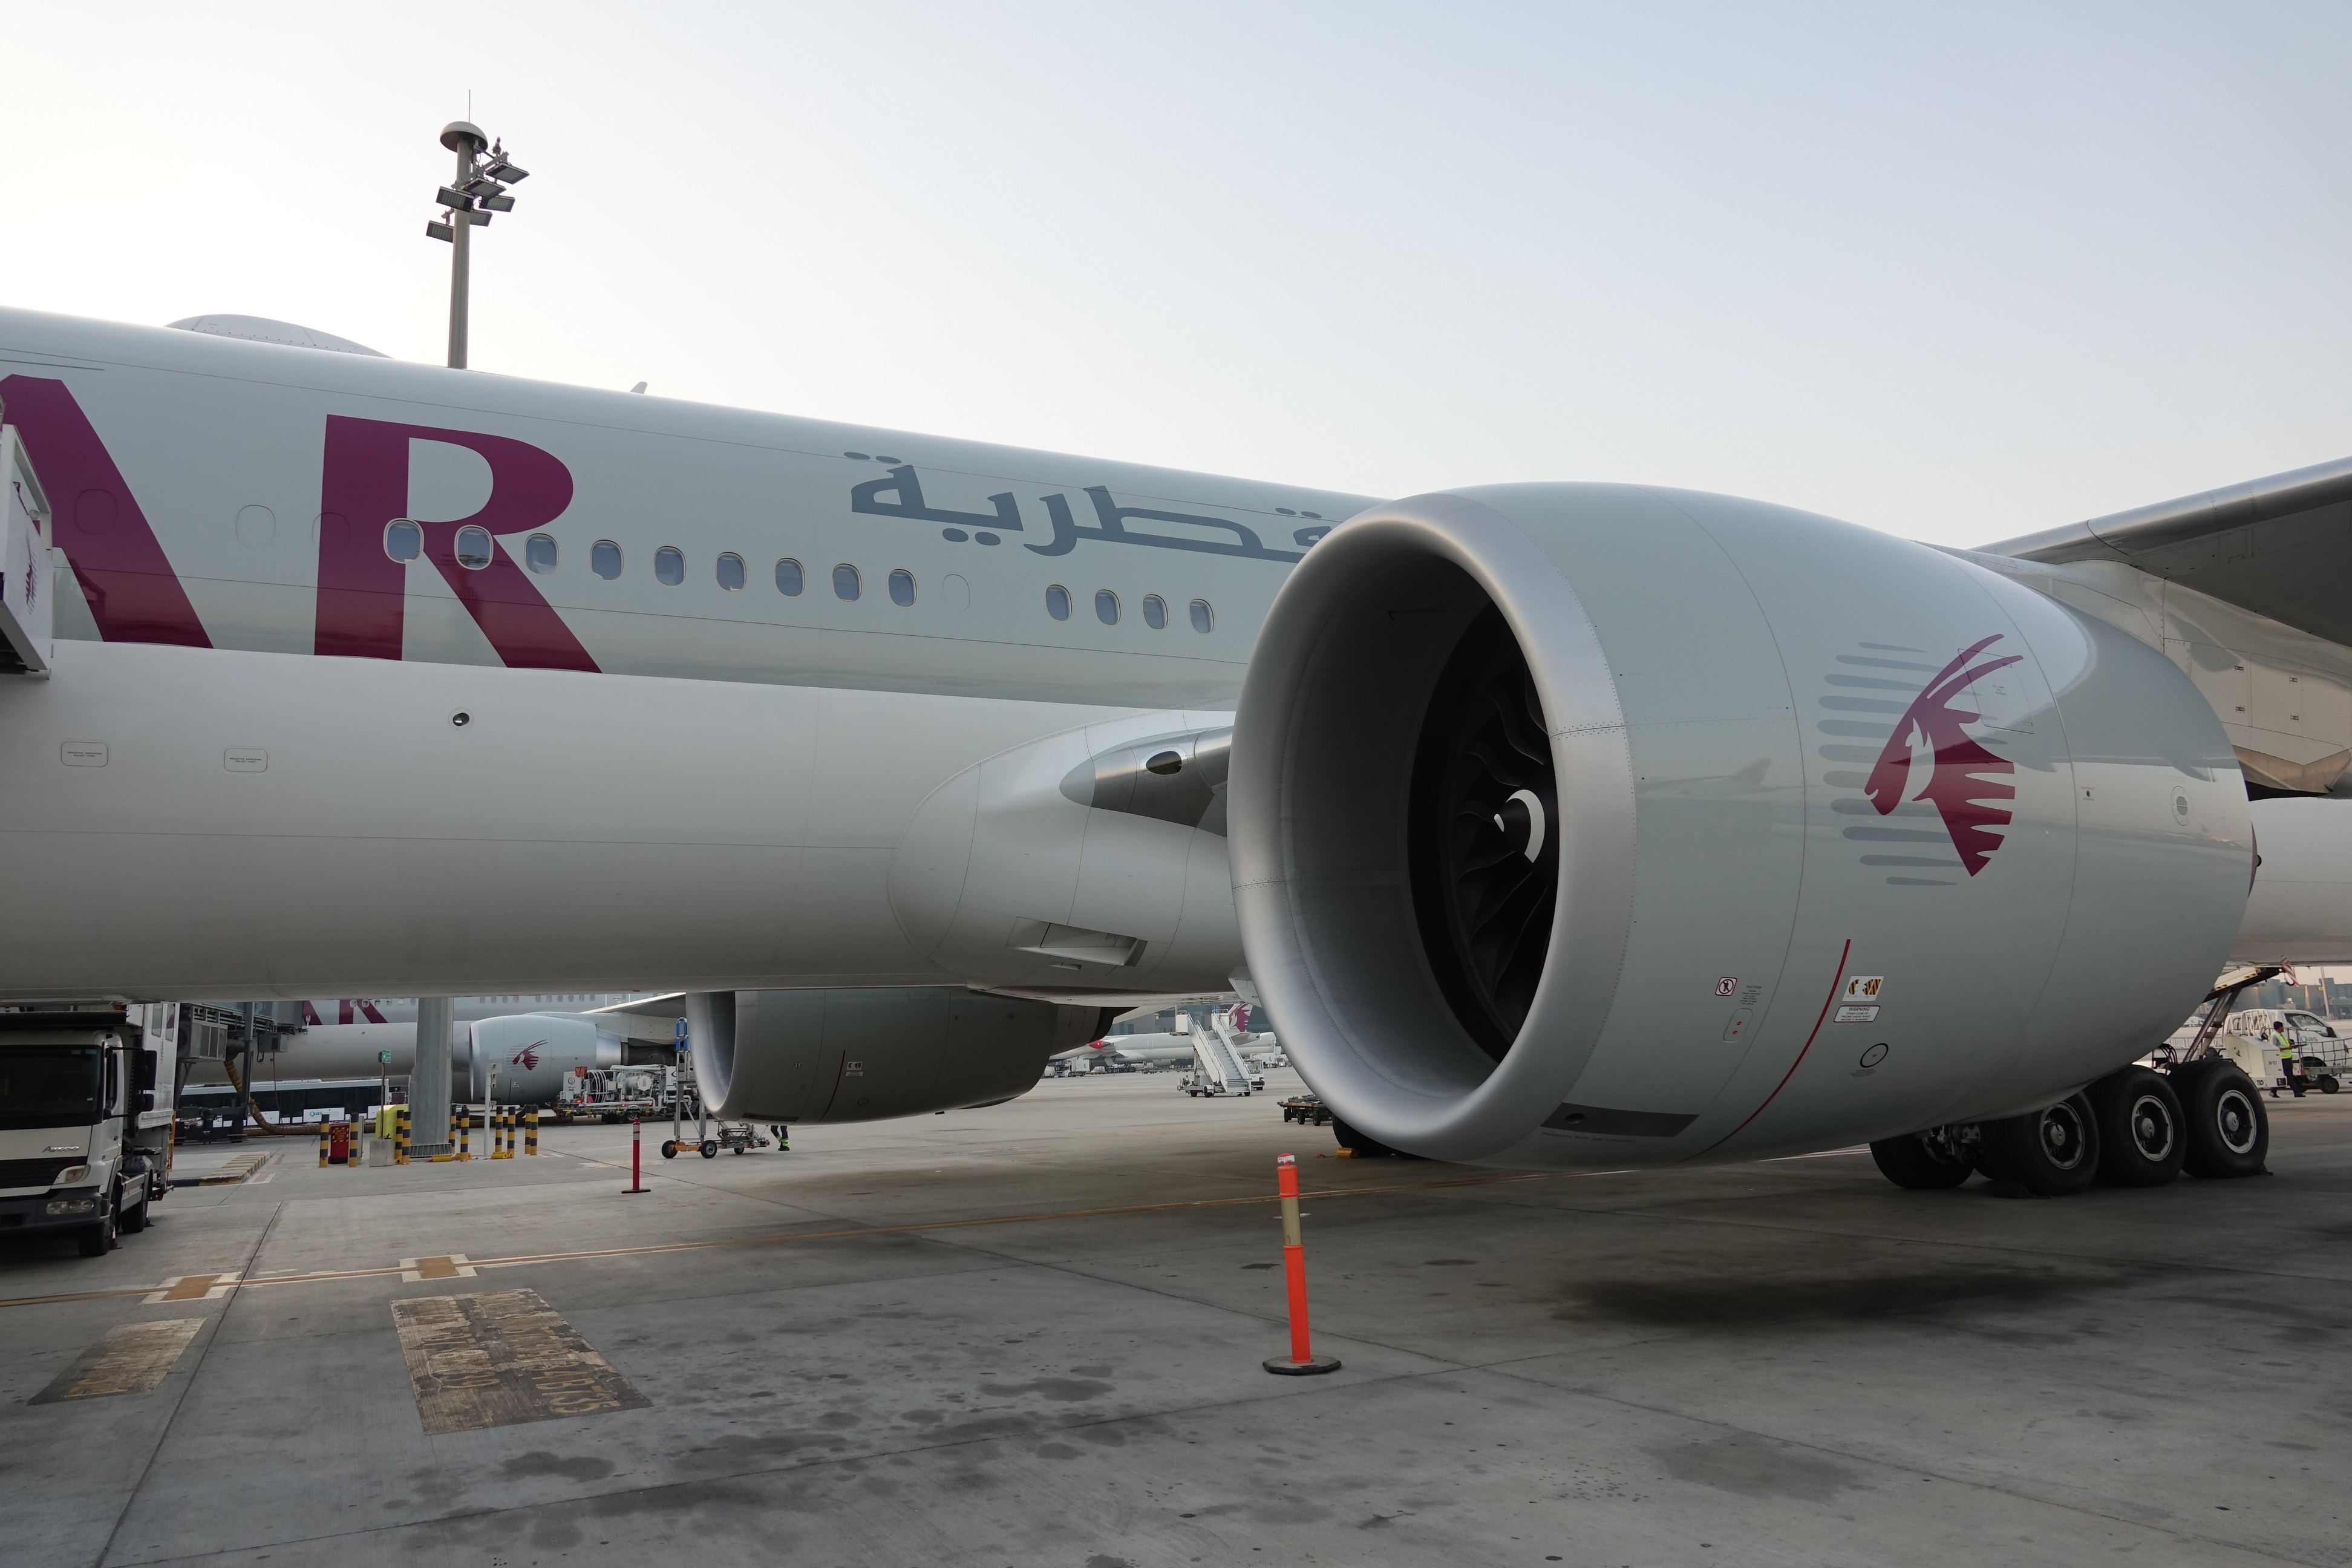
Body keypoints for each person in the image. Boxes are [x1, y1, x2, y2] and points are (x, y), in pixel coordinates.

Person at [2275, 1019, 2306, 1097]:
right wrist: (2288, 1048)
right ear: (2279, 1027)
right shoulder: (2275, 1036)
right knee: (2289, 1076)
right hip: (2282, 1059)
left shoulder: (2281, 1035)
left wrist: (2290, 1047)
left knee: (2287, 1075)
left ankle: (2273, 1091)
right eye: (2282, 1027)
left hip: (2287, 1058)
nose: (2283, 1028)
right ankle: (2296, 1092)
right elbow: (2275, 1048)